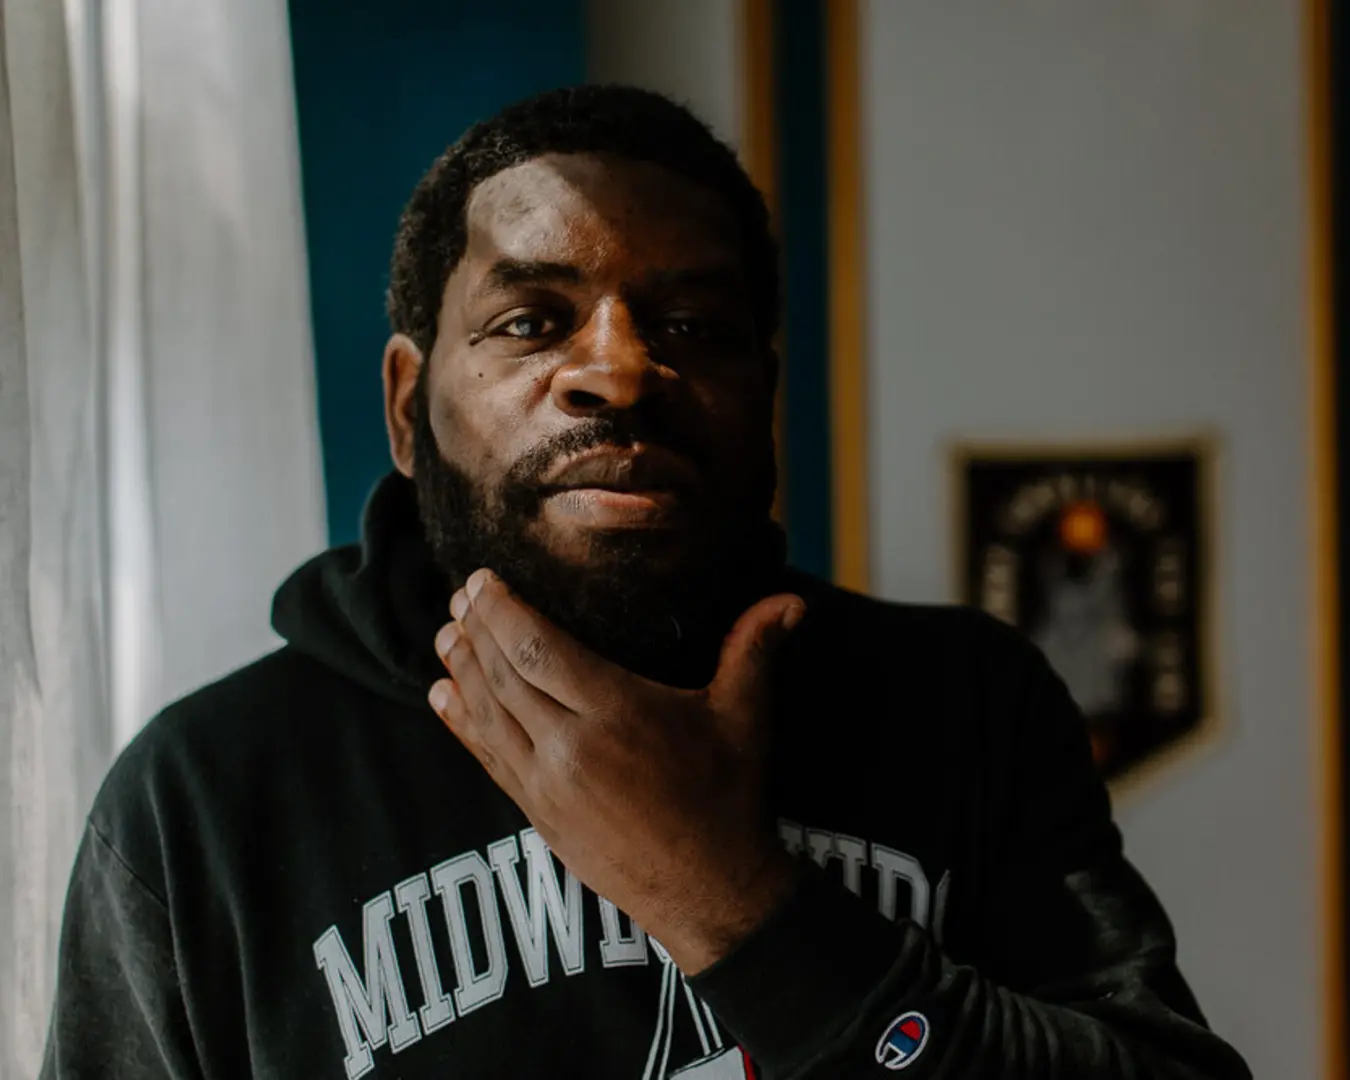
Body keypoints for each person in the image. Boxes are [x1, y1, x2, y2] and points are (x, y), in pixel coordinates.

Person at [40, 85, 1250, 1080]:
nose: (619, 371)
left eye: (692, 326)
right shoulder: (209, 796)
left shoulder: (962, 707)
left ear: (763, 399)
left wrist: (735, 901)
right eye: (530, 321)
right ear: (411, 409)